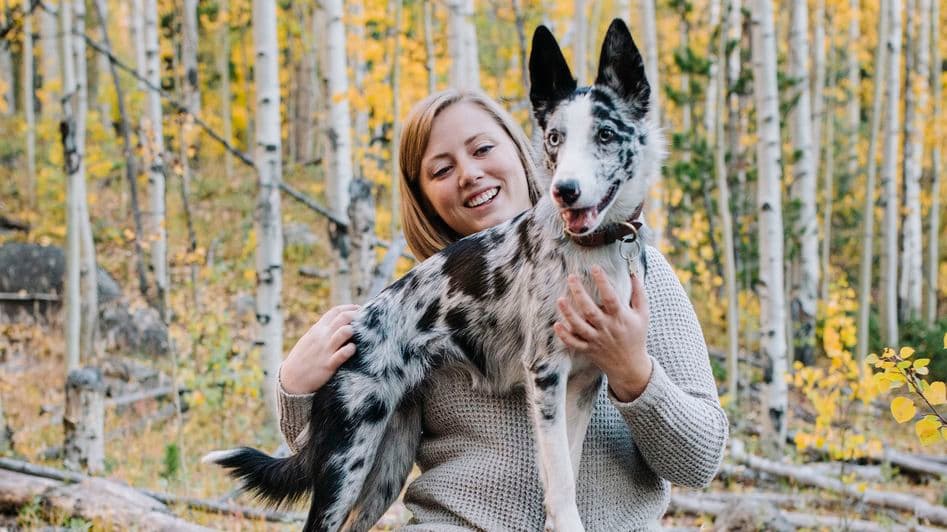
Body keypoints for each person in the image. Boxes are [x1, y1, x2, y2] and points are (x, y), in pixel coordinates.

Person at [277, 89, 728, 531]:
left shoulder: (642, 274)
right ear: (423, 197)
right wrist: (295, 388)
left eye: (483, 149)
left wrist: (632, 371)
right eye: (441, 170)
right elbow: (339, 463)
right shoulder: (424, 302)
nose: (469, 174)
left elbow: (699, 461)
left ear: (523, 150)